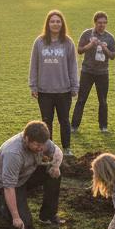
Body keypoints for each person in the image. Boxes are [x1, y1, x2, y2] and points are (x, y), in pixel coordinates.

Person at [0, 120, 63, 229]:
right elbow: (9, 187)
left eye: (43, 144)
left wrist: (56, 166)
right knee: (25, 223)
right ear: (27, 138)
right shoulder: (13, 153)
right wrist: (16, 217)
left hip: (26, 173)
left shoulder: (42, 140)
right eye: (37, 145)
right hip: (6, 185)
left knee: (55, 173)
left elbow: (57, 152)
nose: (41, 148)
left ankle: (48, 215)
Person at [30, 9, 79, 156]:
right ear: (48, 24)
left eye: (58, 21)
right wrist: (33, 85)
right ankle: (48, 149)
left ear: (62, 24)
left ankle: (67, 148)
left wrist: (74, 85)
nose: (55, 24)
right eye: (52, 21)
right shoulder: (39, 42)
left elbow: (73, 66)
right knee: (46, 122)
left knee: (64, 121)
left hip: (64, 90)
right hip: (44, 90)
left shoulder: (68, 42)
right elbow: (34, 65)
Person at [72, 11, 115, 134]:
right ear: (95, 23)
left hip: (103, 73)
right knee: (81, 99)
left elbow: (113, 55)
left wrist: (105, 48)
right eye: (99, 23)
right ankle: (74, 126)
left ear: (106, 23)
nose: (101, 25)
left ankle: (103, 127)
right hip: (87, 72)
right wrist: (90, 45)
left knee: (103, 100)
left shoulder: (110, 37)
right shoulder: (87, 34)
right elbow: (80, 50)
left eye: (104, 23)